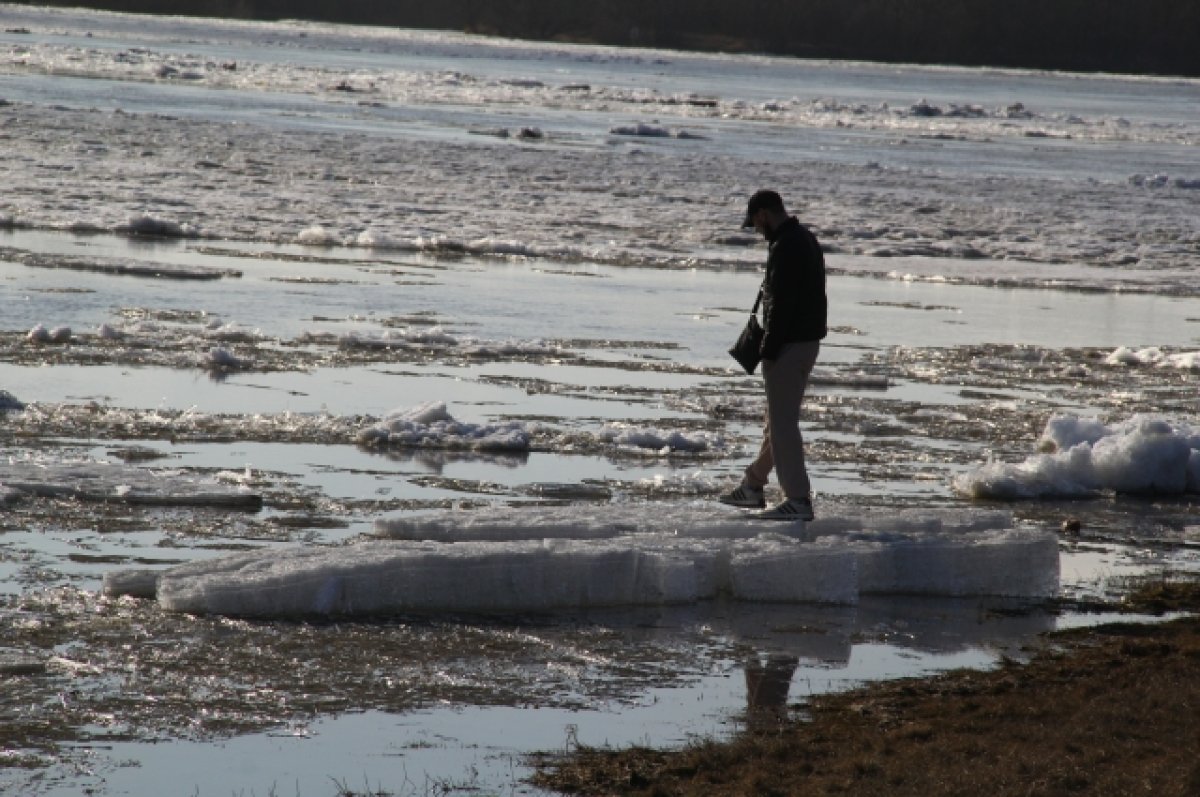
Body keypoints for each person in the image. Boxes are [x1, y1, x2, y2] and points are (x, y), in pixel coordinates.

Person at [720, 189, 827, 521]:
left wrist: (768, 349)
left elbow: (781, 304)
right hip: (804, 342)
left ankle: (798, 499)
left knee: (782, 426)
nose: (756, 229)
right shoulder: (804, 238)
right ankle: (752, 486)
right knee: (776, 423)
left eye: (755, 223)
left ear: (763, 214)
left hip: (789, 345)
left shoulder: (786, 246)